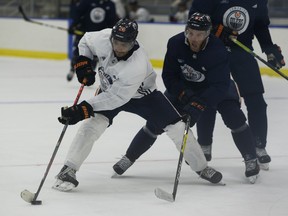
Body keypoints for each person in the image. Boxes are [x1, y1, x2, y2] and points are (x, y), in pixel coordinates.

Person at [53, 18, 223, 192]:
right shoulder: (103, 38)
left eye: (124, 45)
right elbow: (86, 41)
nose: (119, 48)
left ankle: (202, 167)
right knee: (92, 125)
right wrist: (83, 63)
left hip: (144, 97)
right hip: (109, 90)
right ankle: (68, 169)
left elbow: (117, 98)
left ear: (133, 42)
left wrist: (83, 109)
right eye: (116, 42)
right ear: (111, 36)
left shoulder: (136, 65)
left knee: (179, 129)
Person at [113, 13, 261, 183]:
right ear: (185, 30)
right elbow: (169, 76)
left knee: (234, 117)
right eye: (190, 33)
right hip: (184, 89)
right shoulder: (175, 43)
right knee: (156, 120)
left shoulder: (218, 49)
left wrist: (199, 104)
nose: (194, 38)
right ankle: (129, 157)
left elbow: (220, 85)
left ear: (207, 34)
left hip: (217, 89)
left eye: (199, 34)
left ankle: (251, 159)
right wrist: (185, 94)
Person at [189, 0, 285, 170]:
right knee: (208, 98)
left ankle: (258, 144)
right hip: (211, 51)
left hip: (242, 51)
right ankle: (204, 145)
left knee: (257, 101)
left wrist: (269, 49)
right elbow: (194, 20)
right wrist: (218, 30)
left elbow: (260, 25)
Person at [67, 0, 118, 82]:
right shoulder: (87, 2)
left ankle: (89, 73)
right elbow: (78, 14)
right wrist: (73, 26)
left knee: (94, 57)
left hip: (100, 37)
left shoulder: (110, 4)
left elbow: (112, 21)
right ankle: (72, 68)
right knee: (79, 53)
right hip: (85, 34)